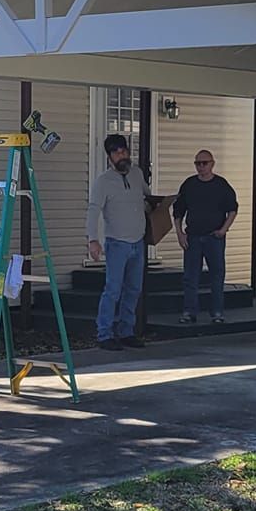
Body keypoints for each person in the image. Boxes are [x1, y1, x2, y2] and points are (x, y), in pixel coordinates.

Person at [85, 132, 149, 351]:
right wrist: (93, 240)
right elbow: (94, 210)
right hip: (117, 243)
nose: (121, 155)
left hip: (138, 242)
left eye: (123, 150)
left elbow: (147, 199)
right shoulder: (103, 182)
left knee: (133, 289)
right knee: (113, 290)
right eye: (116, 152)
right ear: (109, 157)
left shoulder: (137, 174)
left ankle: (127, 331)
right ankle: (104, 334)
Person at [171, 149, 239, 324]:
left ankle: (217, 312)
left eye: (204, 163)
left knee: (216, 275)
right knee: (190, 277)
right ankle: (189, 312)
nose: (201, 167)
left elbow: (232, 209)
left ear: (212, 164)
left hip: (214, 237)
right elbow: (178, 211)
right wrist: (179, 234)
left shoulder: (221, 185)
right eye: (197, 163)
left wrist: (224, 229)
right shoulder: (189, 185)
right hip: (192, 237)